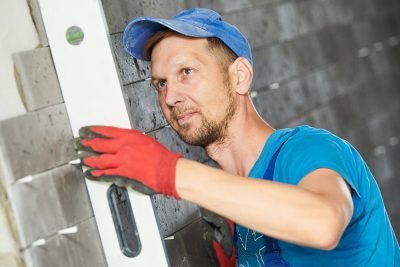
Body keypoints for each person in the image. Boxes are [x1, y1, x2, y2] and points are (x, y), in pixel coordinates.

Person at [75, 8, 400, 266]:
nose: (170, 96)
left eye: (186, 72)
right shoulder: (240, 214)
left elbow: (323, 223)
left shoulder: (307, 149)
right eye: (160, 83)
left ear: (239, 77)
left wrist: (169, 172)